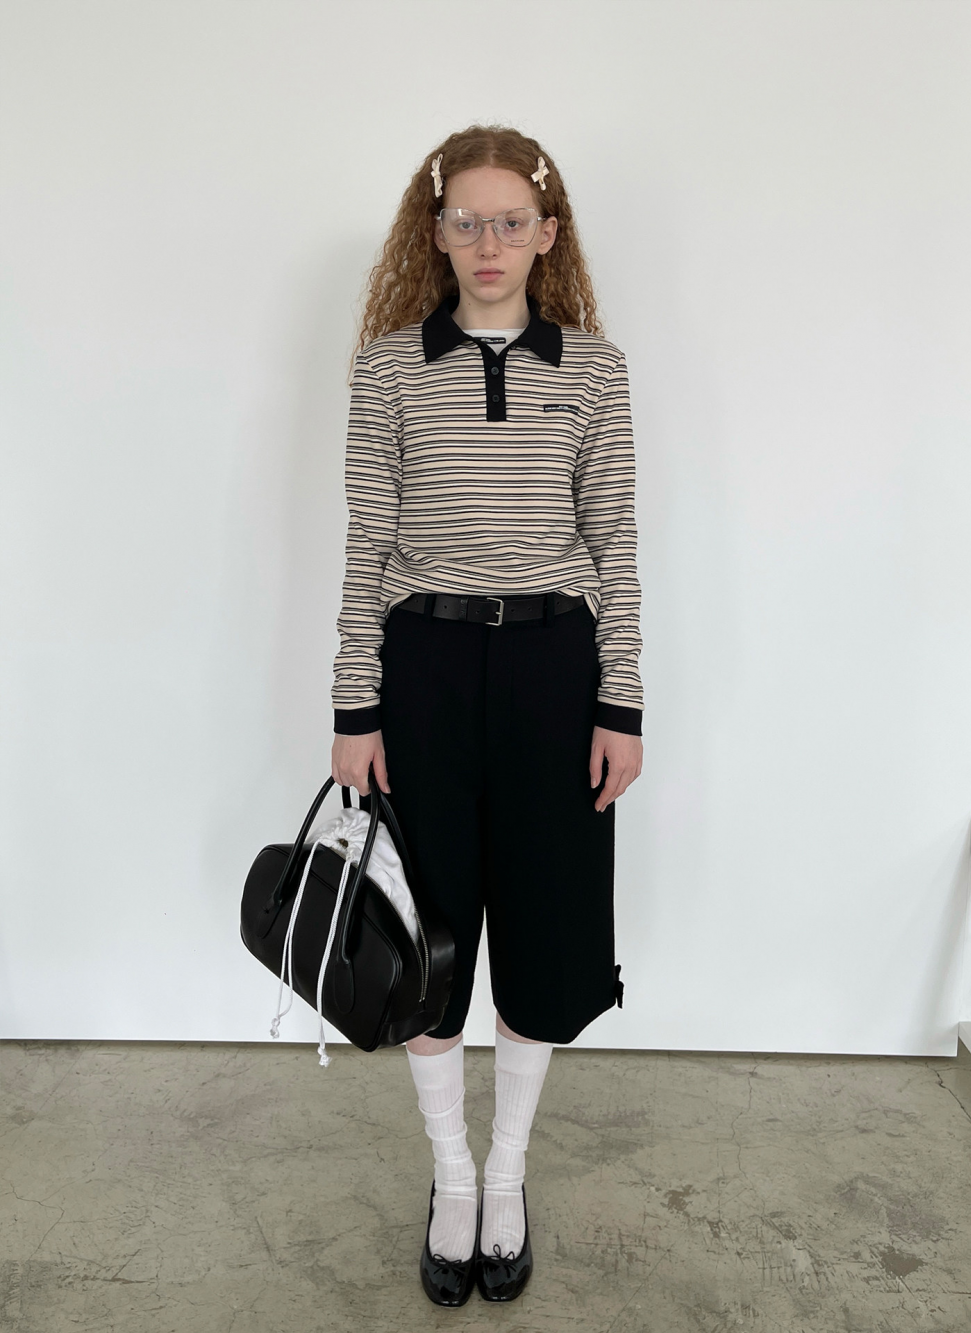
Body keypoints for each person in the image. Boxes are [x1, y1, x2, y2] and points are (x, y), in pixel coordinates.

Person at [329, 124, 644, 1306]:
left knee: (547, 929)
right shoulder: (387, 369)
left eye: (512, 220)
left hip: (557, 670)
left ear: (547, 233)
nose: (490, 241)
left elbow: (614, 541)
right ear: (436, 231)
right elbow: (367, 544)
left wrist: (621, 699)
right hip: (424, 670)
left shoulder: (595, 370)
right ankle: (450, 1176)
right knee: (429, 935)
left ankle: (506, 1171)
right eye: (467, 220)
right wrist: (355, 703)